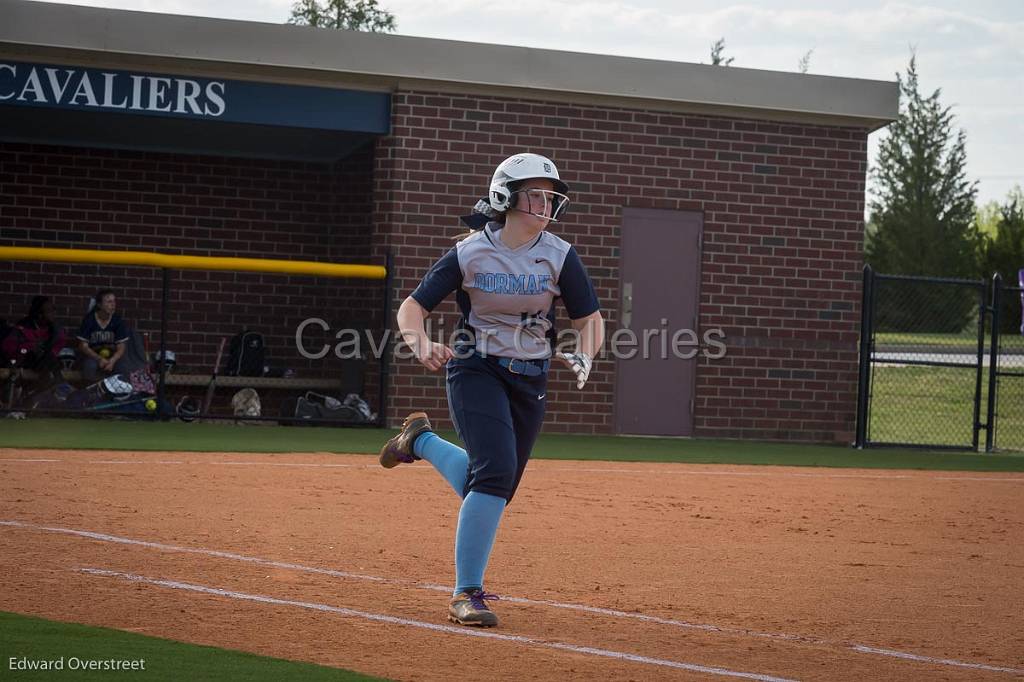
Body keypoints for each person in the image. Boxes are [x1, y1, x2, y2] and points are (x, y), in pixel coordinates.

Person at [378, 153, 605, 627]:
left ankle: (419, 441)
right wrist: (419, 343)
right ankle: (466, 592)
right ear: (505, 197)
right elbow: (412, 307)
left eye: (551, 195)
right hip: (475, 368)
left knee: (493, 485)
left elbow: (590, 319)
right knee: (495, 475)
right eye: (534, 194)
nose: (546, 204)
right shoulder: (470, 252)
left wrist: (585, 351)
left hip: (530, 378)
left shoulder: (559, 254)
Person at [1, 295, 67, 395]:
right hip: (24, 361)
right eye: (50, 311)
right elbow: (8, 347)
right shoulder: (23, 327)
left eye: (54, 309)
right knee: (43, 357)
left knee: (48, 358)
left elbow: (59, 343)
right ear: (40, 315)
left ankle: (53, 389)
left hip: (45, 362)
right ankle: (56, 387)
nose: (54, 313)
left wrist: (47, 351)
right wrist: (29, 347)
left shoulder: (55, 329)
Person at [76, 289, 145, 381]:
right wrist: (99, 359)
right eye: (109, 302)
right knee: (90, 366)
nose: (113, 304)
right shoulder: (89, 320)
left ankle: (118, 393)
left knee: (123, 368)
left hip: (112, 357)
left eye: (114, 301)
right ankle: (92, 391)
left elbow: (121, 347)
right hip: (93, 357)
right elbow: (83, 346)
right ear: (99, 305)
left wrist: (112, 361)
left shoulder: (117, 321)